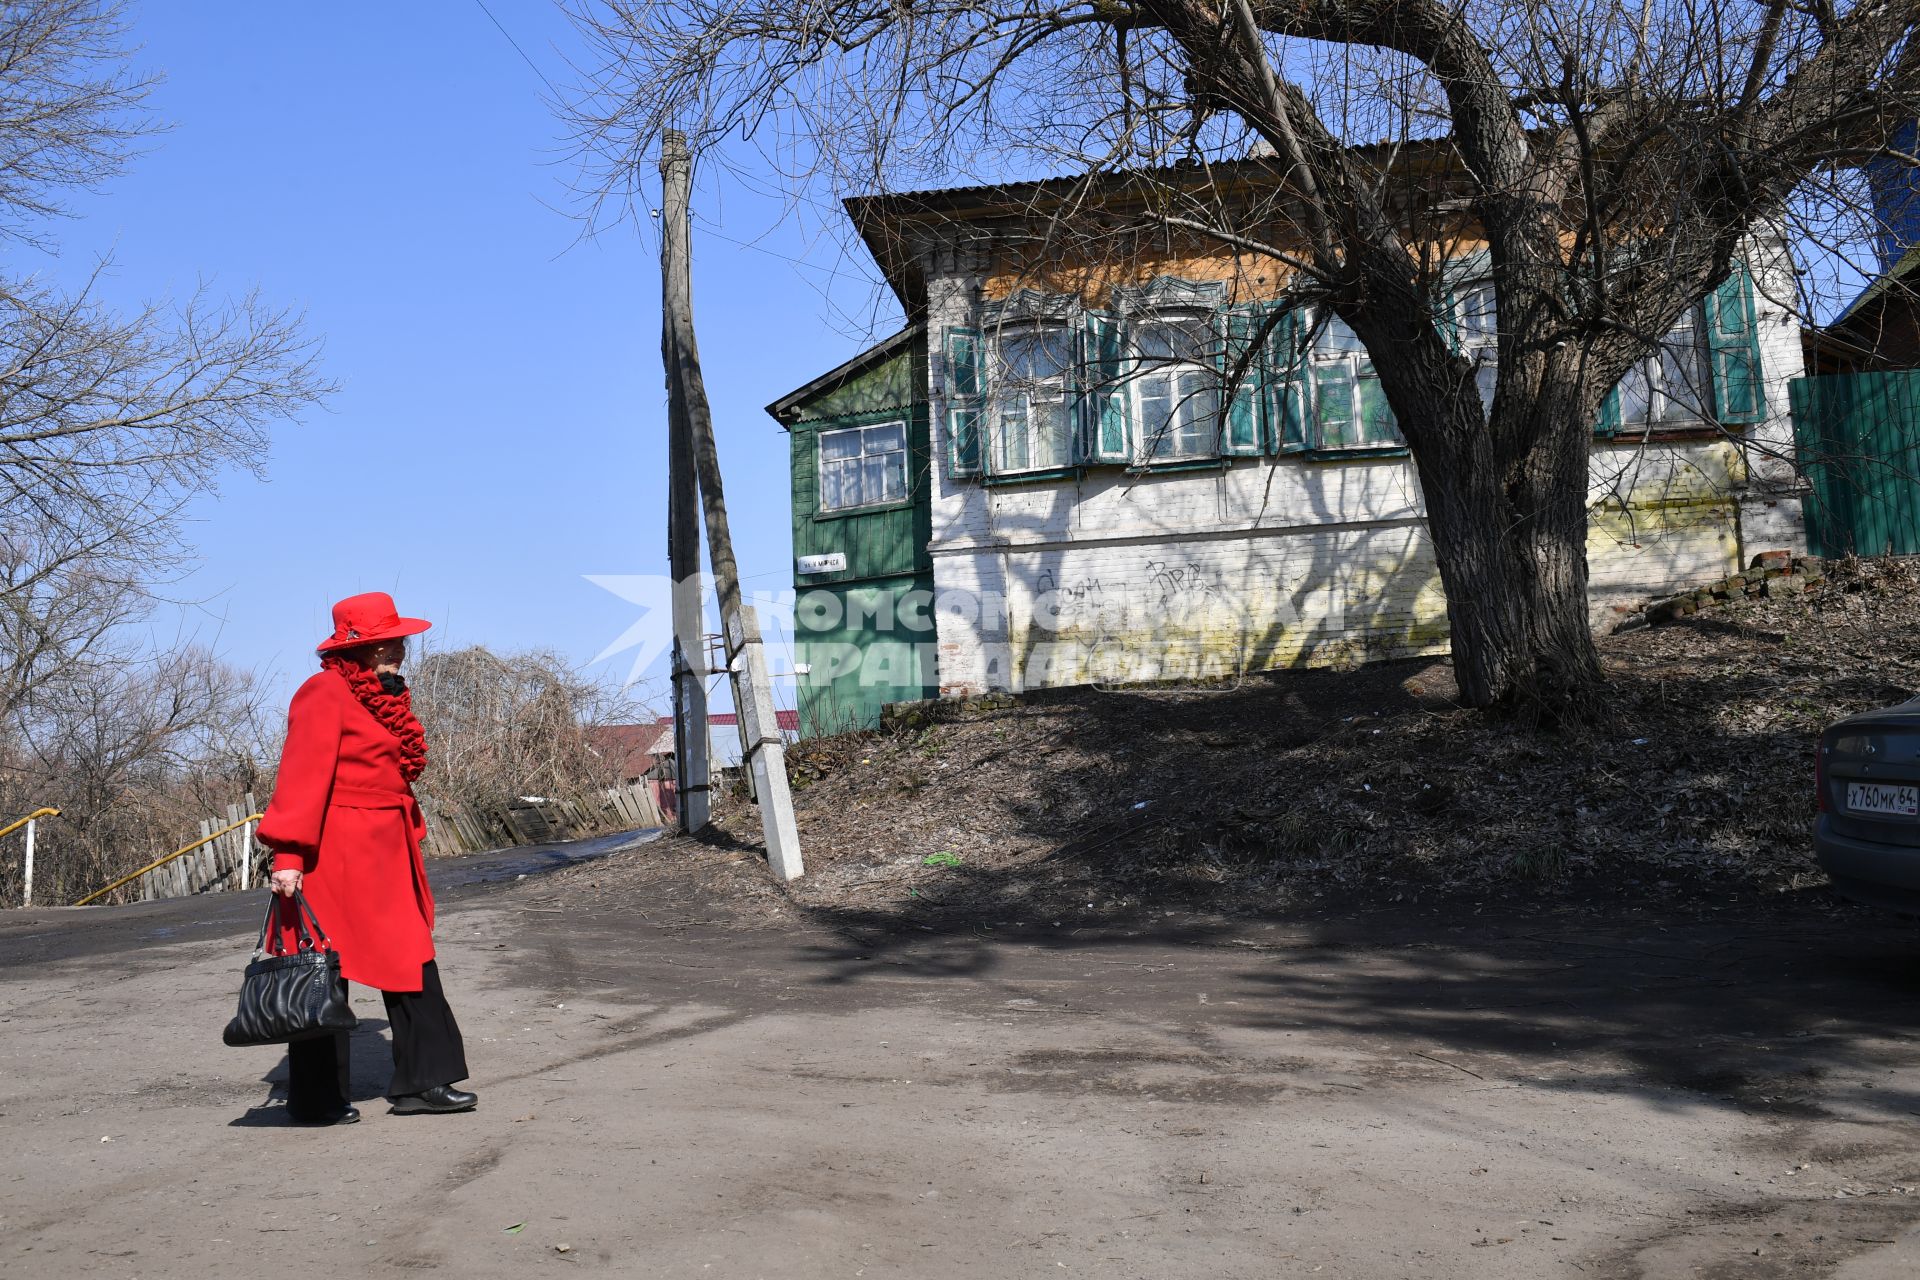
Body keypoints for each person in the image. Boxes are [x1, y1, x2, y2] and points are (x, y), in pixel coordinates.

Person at [256, 592, 478, 1125]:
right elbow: (301, 776)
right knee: (321, 970)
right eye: (386, 643)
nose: (398, 650)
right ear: (357, 649)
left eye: (399, 641)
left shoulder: (384, 696)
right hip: (334, 853)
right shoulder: (323, 692)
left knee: (412, 956)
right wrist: (288, 854)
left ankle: (423, 1083)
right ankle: (315, 1100)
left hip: (385, 848)